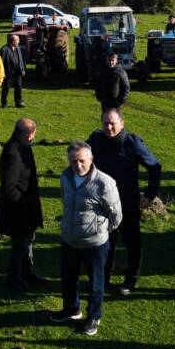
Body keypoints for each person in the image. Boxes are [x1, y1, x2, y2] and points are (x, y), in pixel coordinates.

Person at [51, 141, 122, 337]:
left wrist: (102, 228)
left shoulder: (104, 183)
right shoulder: (65, 177)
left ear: (91, 159)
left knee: (95, 282)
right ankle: (72, 309)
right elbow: (64, 200)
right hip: (69, 239)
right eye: (74, 161)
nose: (78, 165)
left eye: (82, 161)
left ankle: (93, 316)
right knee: (68, 278)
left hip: (94, 243)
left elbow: (115, 213)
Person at [87, 108, 161, 296]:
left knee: (131, 241)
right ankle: (104, 277)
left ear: (122, 123)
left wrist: (150, 195)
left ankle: (131, 277)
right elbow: (82, 161)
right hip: (102, 203)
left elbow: (155, 167)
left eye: (113, 123)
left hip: (127, 202)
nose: (109, 127)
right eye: (105, 123)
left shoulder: (133, 143)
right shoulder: (95, 140)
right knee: (104, 242)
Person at [0, 118, 46, 291]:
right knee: (19, 246)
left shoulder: (22, 147)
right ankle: (15, 279)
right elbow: (9, 187)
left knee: (27, 242)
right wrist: (22, 206)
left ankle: (27, 271)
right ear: (30, 134)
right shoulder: (13, 153)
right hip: (18, 210)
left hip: (27, 207)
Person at [0, 34, 27, 109]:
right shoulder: (4, 49)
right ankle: (4, 103)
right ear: (13, 42)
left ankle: (18, 102)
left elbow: (20, 59)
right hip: (8, 73)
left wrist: (22, 70)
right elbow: (0, 63)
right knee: (6, 88)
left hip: (17, 73)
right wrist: (3, 73)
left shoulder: (18, 48)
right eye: (18, 40)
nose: (19, 41)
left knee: (18, 87)